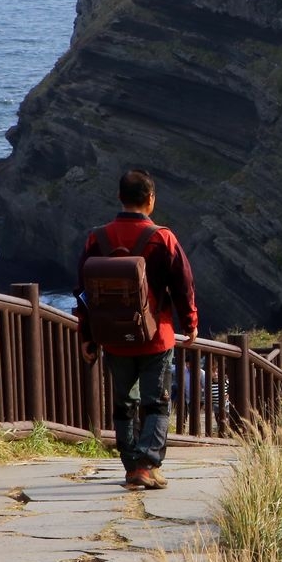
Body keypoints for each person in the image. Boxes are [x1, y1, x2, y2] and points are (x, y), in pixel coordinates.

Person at [77, 169, 198, 492]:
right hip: (156, 336)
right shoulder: (162, 237)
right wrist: (191, 323)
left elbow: (83, 291)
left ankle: (132, 466)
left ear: (119, 197)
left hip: (113, 337)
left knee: (123, 403)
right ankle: (147, 465)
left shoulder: (97, 238)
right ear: (151, 199)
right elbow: (183, 285)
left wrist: (87, 335)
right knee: (156, 402)